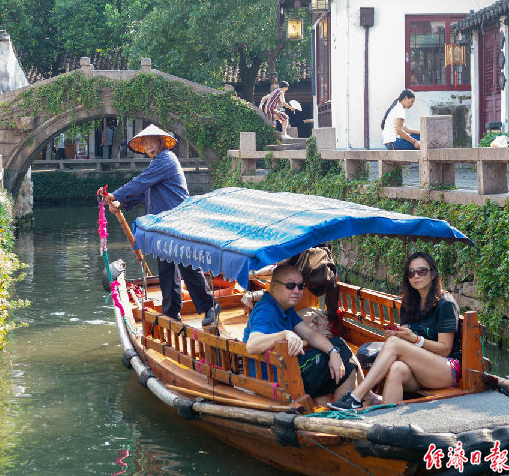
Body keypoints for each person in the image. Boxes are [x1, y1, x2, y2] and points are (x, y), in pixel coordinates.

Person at [100, 124, 219, 326]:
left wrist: (115, 195)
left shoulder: (166, 159)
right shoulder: (157, 164)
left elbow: (141, 181)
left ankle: (210, 307)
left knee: (187, 267)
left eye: (152, 142)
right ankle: (172, 313)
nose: (149, 147)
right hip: (162, 225)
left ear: (161, 142)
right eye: (145, 144)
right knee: (166, 271)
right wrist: (122, 202)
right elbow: (145, 190)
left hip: (178, 221)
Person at [328, 252, 461, 410]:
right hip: (419, 368)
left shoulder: (446, 304)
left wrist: (415, 339)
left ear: (433, 274)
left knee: (395, 345)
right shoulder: (409, 303)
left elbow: (445, 349)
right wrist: (397, 334)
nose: (416, 276)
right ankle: (386, 424)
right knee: (397, 368)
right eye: (411, 273)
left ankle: (357, 396)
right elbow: (405, 340)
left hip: (447, 370)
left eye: (422, 271)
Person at [243, 263, 365, 402]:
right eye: (290, 286)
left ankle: (350, 401)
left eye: (300, 286)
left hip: (284, 371)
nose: (296, 290)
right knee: (344, 356)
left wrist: (333, 352)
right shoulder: (266, 311)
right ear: (274, 287)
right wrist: (285, 334)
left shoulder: (284, 307)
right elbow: (252, 345)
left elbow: (309, 334)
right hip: (278, 380)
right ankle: (347, 407)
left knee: (338, 350)